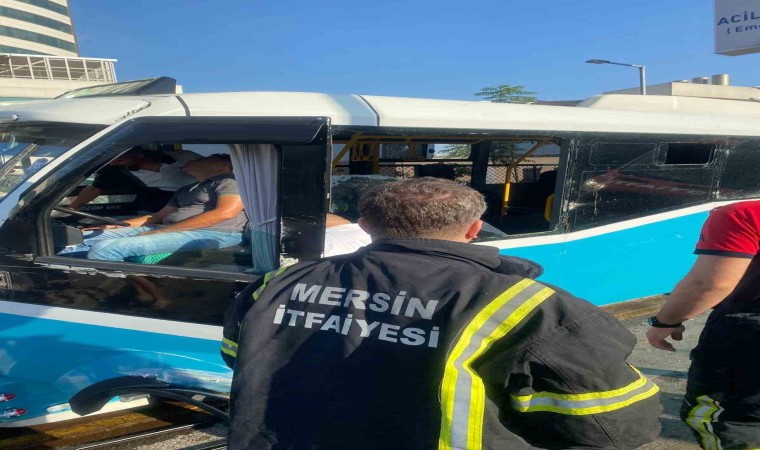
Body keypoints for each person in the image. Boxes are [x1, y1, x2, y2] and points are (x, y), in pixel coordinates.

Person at [223, 177, 661, 450]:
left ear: (365, 227)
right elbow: (614, 425)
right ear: (474, 229)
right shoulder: (532, 306)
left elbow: (237, 354)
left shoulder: (278, 281)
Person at [647, 200, 760, 449]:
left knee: (728, 419)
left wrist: (664, 322)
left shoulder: (744, 214)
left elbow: (708, 284)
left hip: (746, 340)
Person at [76, 153, 247, 261]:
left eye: (202, 159)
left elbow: (225, 213)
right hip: (171, 228)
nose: (193, 159)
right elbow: (157, 217)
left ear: (222, 166)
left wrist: (163, 231)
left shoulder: (229, 181)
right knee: (83, 237)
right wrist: (113, 226)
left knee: (104, 250)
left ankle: (145, 296)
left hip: (216, 233)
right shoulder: (186, 189)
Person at [68, 147, 200, 213]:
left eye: (119, 158)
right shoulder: (118, 172)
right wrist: (72, 208)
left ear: (138, 154)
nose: (114, 162)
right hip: (169, 208)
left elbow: (211, 169)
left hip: (203, 196)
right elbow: (95, 188)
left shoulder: (185, 157)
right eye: (111, 161)